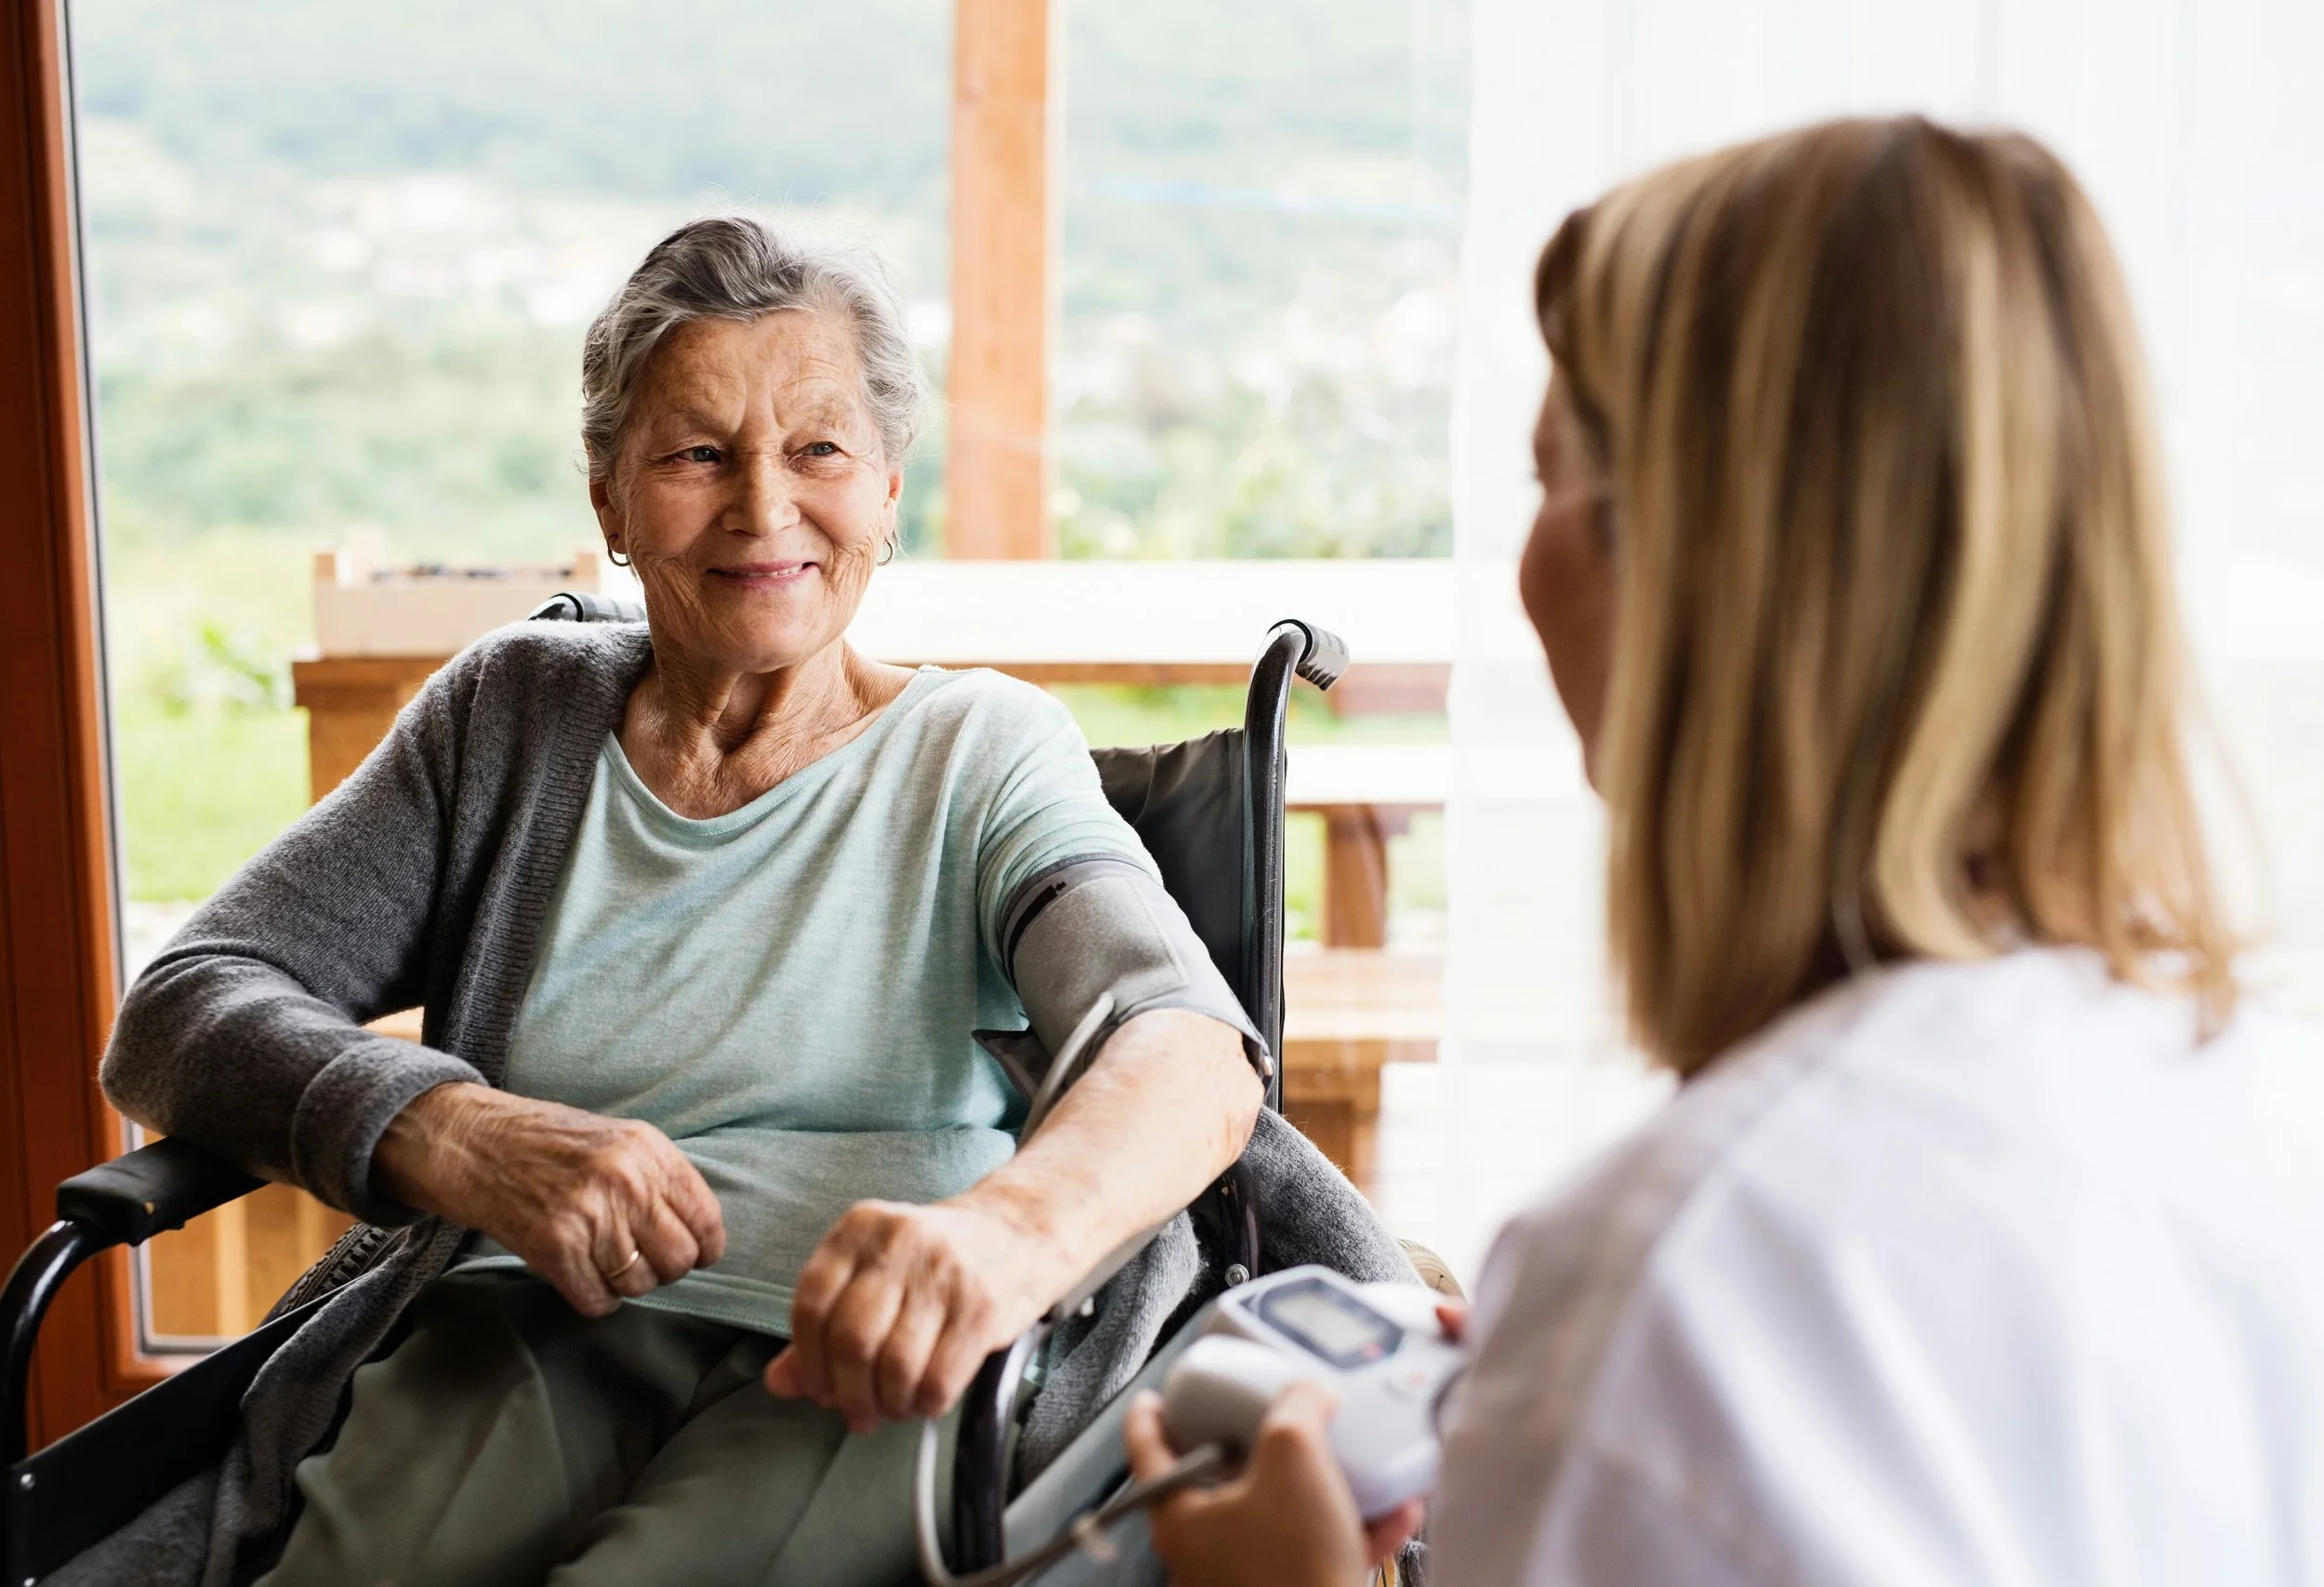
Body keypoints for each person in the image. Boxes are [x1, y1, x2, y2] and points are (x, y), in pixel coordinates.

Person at [1125, 115, 2324, 1586]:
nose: (1526, 562)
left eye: (1547, 478)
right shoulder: (2256, 1092)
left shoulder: (1681, 1281)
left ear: (1694, 569)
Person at [93, 215, 1307, 1587]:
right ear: (610, 500)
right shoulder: (510, 717)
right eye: (695, 454)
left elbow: (1186, 1052)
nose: (764, 507)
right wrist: (457, 1131)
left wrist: (1005, 1236)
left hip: (862, 1354)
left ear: (891, 488)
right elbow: (185, 1003)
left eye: (820, 449)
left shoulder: (978, 750)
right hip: (522, 1317)